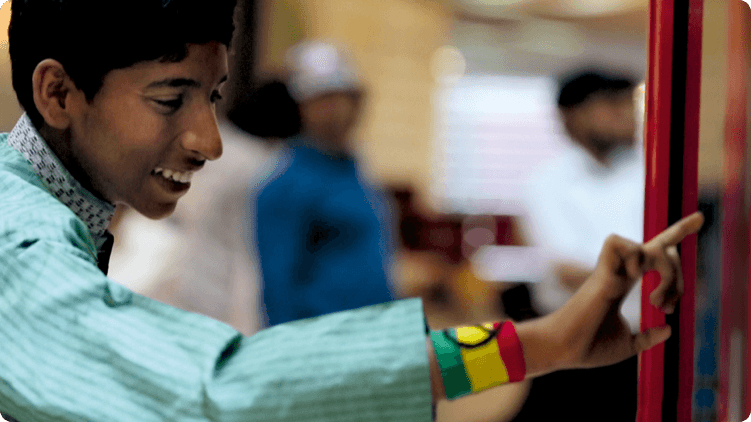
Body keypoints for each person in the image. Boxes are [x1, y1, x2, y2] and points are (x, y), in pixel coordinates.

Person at [0, 1, 701, 421]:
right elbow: (215, 384)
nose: (207, 141)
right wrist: (536, 345)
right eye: (168, 99)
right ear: (59, 94)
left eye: (211, 98)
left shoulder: (63, 210)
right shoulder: (20, 245)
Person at [515, 69, 644, 421]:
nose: (627, 115)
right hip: (570, 344)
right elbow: (569, 271)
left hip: (641, 345)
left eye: (628, 104)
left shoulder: (648, 174)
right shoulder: (547, 181)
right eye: (611, 105)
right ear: (571, 116)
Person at [252, 41, 395, 326]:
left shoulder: (357, 176)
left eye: (344, 98)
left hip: (372, 339)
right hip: (323, 345)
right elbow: (277, 288)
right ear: (301, 108)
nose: (337, 110)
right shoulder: (285, 187)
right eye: (324, 100)